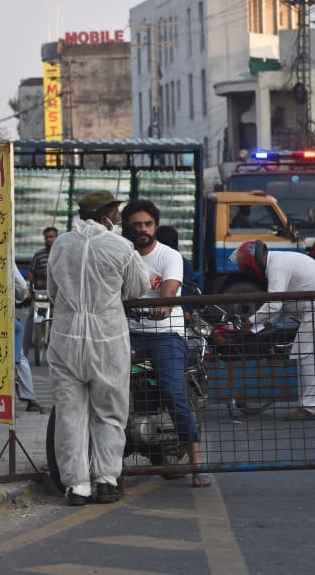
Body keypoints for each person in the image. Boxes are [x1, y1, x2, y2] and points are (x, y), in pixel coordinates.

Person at [46, 190, 149, 506]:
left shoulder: (61, 245)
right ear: (107, 215)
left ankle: (76, 486)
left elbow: (52, 291)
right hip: (107, 341)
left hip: (65, 340)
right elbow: (137, 288)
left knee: (69, 414)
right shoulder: (121, 247)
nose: (119, 218)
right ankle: (105, 481)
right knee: (109, 413)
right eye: (116, 213)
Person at [121, 199, 210, 489]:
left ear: (155, 226)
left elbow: (170, 287)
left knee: (173, 393)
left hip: (165, 334)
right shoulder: (121, 255)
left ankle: (197, 463)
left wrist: (164, 304)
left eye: (148, 224)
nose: (143, 229)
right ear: (127, 227)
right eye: (137, 224)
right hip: (127, 332)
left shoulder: (168, 255)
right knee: (107, 388)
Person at [230, 239, 315, 419]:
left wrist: (250, 322)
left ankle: (311, 408)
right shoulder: (280, 261)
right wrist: (258, 325)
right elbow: (279, 307)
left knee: (309, 356)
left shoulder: (276, 267)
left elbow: (274, 306)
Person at [12, 260, 43, 413]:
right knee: (20, 357)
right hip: (2, 317)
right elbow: (22, 287)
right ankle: (30, 399)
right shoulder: (4, 253)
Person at [22, 227, 58, 356]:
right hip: (40, 291)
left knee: (59, 321)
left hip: (57, 293)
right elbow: (31, 273)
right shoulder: (38, 255)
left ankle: (59, 354)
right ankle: (24, 353)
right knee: (29, 320)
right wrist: (30, 290)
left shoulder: (61, 253)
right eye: (47, 237)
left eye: (51, 236)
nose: (49, 239)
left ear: (56, 237)